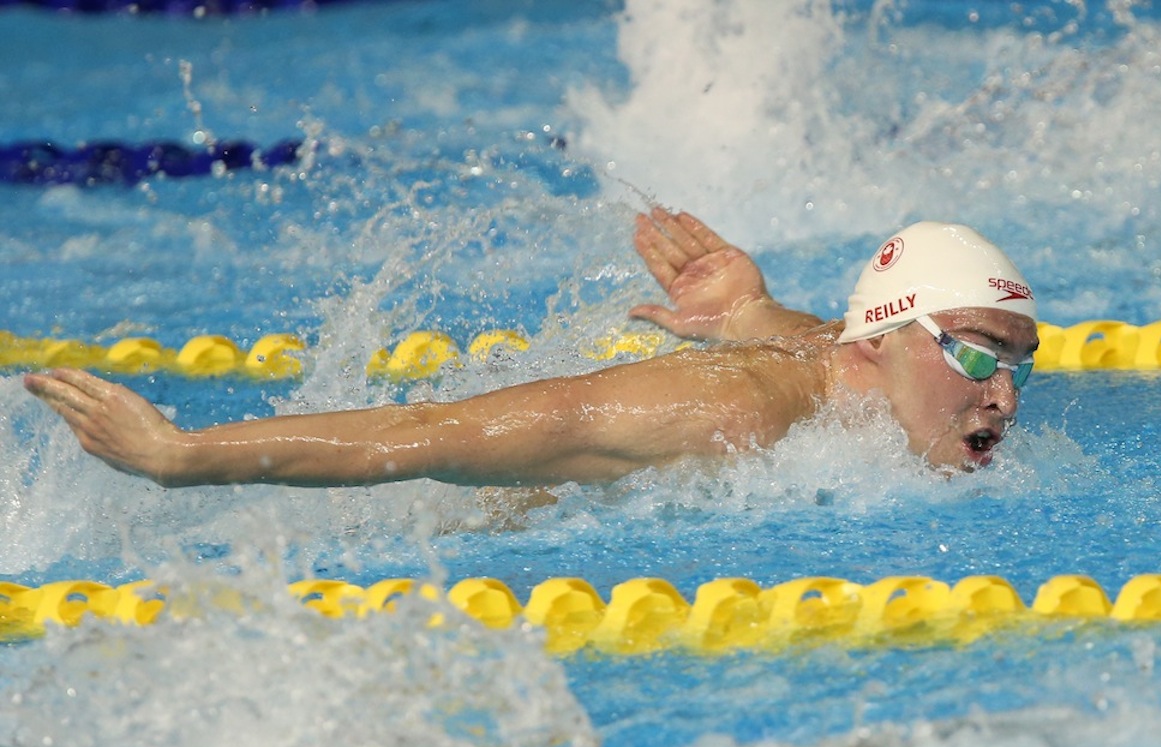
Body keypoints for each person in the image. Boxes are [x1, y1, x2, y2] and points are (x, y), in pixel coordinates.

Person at [23, 208, 1039, 488]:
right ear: (888, 339)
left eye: (1019, 362)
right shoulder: (727, 417)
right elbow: (433, 433)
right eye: (982, 356)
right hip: (460, 515)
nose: (1004, 395)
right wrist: (186, 455)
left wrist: (745, 309)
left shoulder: (845, 362)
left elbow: (804, 338)